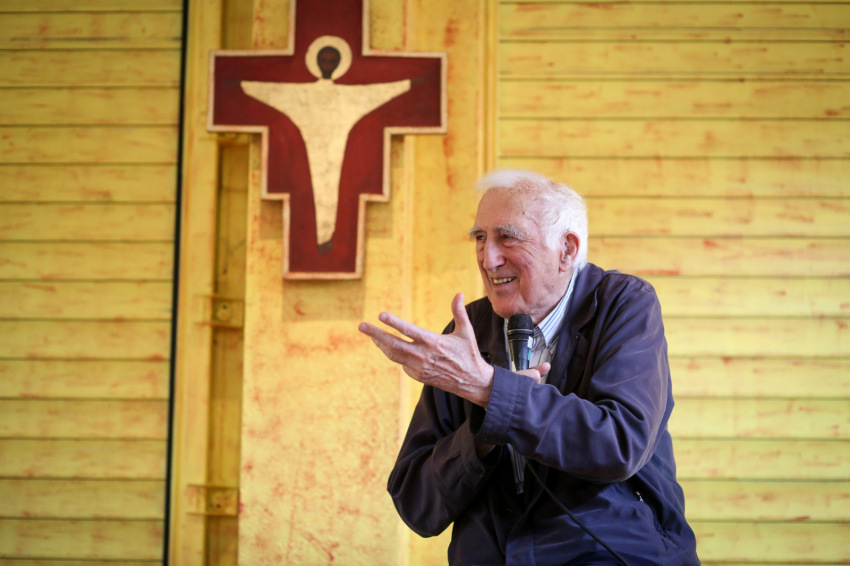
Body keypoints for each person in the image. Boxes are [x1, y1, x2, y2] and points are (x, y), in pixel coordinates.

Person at [358, 169, 700, 565]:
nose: (488, 258)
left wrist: (490, 390)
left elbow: (620, 444)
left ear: (566, 250)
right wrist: (481, 436)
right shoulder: (468, 331)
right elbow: (416, 504)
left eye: (508, 237)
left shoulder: (624, 303)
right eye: (480, 237)